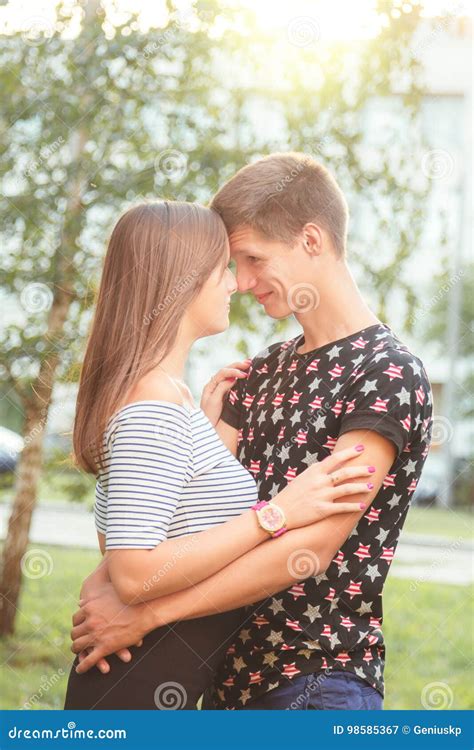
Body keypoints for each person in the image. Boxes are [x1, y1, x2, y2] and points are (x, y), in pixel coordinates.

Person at [69, 154, 432, 711]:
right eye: (233, 265)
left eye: (254, 259)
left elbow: (310, 547)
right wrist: (113, 579)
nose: (242, 282)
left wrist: (145, 612)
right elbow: (177, 521)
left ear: (311, 239)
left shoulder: (385, 373)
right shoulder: (255, 376)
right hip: (212, 680)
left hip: (314, 679)